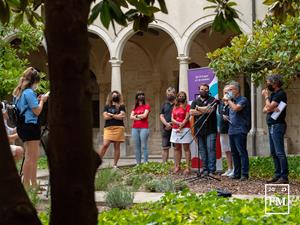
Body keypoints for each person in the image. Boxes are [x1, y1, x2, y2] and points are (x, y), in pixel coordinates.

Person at [12, 67, 48, 188]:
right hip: (31, 126)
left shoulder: (19, 93)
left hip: (23, 126)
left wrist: (37, 100)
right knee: (30, 157)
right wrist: (42, 100)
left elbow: (26, 108)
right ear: (34, 81)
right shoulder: (29, 92)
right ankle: (27, 185)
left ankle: (33, 184)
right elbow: (37, 111)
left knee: (33, 156)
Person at [262, 74, 289, 184]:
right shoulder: (274, 94)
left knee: (279, 152)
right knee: (273, 152)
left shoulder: (280, 93)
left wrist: (266, 97)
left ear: (275, 83)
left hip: (277, 125)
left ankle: (284, 176)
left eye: (268, 82)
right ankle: (277, 174)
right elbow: (265, 109)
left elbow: (268, 107)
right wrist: (270, 107)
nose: (267, 84)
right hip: (271, 124)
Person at [223, 81, 250, 181]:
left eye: (231, 90)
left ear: (237, 90)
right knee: (234, 153)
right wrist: (227, 117)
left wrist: (228, 100)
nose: (229, 92)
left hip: (240, 129)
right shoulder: (232, 100)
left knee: (242, 152)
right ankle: (237, 173)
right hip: (232, 129)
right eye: (228, 90)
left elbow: (236, 108)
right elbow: (233, 114)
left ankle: (244, 174)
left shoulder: (243, 99)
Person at [190, 83, 217, 176]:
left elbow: (210, 110)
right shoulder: (195, 101)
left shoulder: (212, 99)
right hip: (199, 129)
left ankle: (212, 170)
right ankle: (205, 169)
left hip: (211, 129)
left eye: (205, 89)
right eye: (201, 89)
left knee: (211, 149)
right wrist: (203, 110)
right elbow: (191, 112)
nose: (203, 91)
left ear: (208, 90)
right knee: (202, 150)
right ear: (199, 90)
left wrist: (198, 109)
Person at [97, 91, 126, 168]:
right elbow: (105, 117)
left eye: (116, 95)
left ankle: (115, 165)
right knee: (105, 145)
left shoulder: (121, 106)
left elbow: (122, 117)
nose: (115, 96)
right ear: (110, 97)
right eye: (113, 95)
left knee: (117, 146)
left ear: (118, 97)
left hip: (119, 128)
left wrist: (111, 115)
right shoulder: (107, 106)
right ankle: (97, 163)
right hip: (108, 128)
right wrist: (116, 115)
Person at [170, 91, 192, 175]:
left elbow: (186, 118)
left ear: (185, 97)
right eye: (179, 96)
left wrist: (181, 126)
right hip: (175, 129)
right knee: (176, 148)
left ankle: (187, 167)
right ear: (177, 97)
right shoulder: (175, 106)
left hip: (185, 128)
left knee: (186, 148)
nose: (181, 97)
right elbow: (172, 118)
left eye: (183, 96)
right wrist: (177, 124)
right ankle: (177, 166)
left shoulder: (188, 106)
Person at [130, 91, 151, 165]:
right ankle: (138, 163)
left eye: (142, 95)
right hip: (135, 128)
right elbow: (130, 117)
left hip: (144, 128)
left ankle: (145, 163)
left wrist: (136, 116)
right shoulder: (134, 107)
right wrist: (139, 116)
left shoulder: (146, 106)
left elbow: (145, 116)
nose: (141, 96)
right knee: (136, 147)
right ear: (137, 97)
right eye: (139, 95)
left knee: (144, 146)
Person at [219, 86, 233, 176]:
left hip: (231, 129)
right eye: (225, 92)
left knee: (232, 150)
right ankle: (229, 168)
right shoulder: (221, 103)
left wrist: (228, 117)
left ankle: (235, 168)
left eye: (228, 92)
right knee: (226, 150)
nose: (226, 94)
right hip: (222, 129)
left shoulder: (233, 102)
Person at [159, 87, 176, 163]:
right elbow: (161, 115)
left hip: (176, 128)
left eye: (171, 94)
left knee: (176, 148)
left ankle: (176, 165)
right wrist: (166, 124)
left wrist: (172, 124)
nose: (169, 95)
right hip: (166, 128)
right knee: (165, 147)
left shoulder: (178, 104)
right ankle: (164, 165)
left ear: (174, 94)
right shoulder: (164, 104)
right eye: (167, 94)